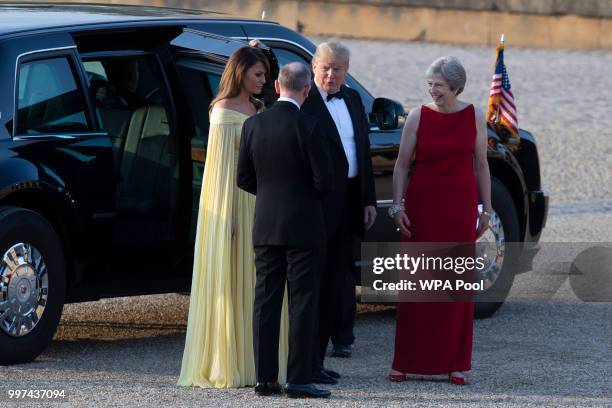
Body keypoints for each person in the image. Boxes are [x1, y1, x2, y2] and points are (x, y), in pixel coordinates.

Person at [177, 45, 289, 388]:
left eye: (266, 76)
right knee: (237, 280)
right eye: (258, 75)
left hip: (260, 203)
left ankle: (259, 363)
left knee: (261, 284)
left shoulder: (257, 107)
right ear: (240, 73)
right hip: (235, 206)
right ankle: (232, 361)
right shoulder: (223, 111)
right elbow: (221, 174)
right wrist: (229, 219)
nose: (263, 81)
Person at [388, 56, 493, 385]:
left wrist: (486, 209)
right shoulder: (417, 116)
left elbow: (481, 166)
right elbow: (402, 164)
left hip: (459, 207)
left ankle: (455, 363)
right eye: (429, 84)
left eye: (439, 86)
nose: (432, 90)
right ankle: (404, 361)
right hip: (422, 207)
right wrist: (397, 206)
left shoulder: (475, 115)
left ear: (456, 87)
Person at [237, 62, 333, 398]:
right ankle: (298, 378)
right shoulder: (310, 126)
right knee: (302, 301)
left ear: (277, 86)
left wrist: (271, 196)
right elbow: (325, 182)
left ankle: (265, 379)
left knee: (266, 300)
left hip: (265, 223)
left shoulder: (252, 125)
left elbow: (243, 179)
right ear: (307, 90)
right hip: (304, 225)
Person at [300, 42, 377, 384]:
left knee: (344, 269)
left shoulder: (354, 99)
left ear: (347, 71)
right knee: (317, 268)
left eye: (338, 69)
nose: (331, 75)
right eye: (325, 68)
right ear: (313, 66)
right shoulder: (303, 100)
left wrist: (368, 200)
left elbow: (364, 151)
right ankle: (313, 345)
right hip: (317, 198)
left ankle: (342, 336)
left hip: (349, 197)